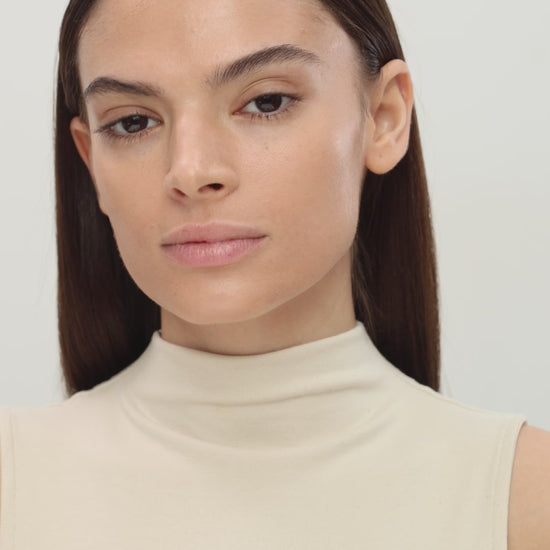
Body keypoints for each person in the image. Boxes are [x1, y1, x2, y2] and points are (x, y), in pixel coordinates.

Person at [0, 0, 548, 547]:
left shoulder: (527, 499)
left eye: (266, 102)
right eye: (133, 122)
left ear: (384, 118)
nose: (191, 171)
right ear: (91, 159)